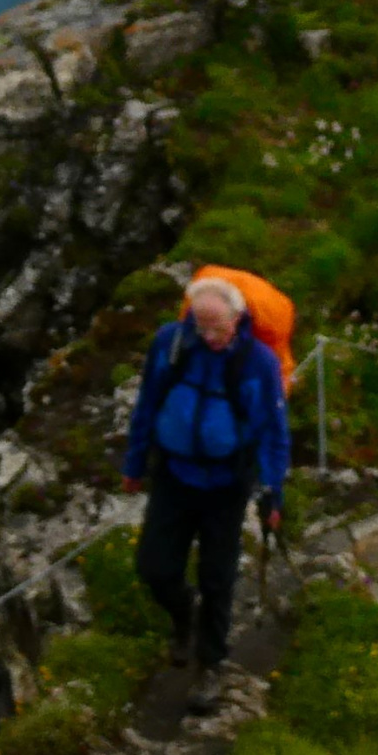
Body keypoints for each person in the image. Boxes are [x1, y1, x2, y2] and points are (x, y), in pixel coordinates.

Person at [122, 272, 289, 709]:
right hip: (174, 476)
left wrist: (273, 490)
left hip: (227, 485)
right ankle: (184, 615)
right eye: (202, 325)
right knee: (155, 568)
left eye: (218, 327)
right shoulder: (172, 343)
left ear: (238, 318)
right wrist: (134, 464)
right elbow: (147, 403)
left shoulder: (258, 362)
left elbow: (273, 430)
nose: (209, 336)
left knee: (218, 575)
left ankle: (209, 666)